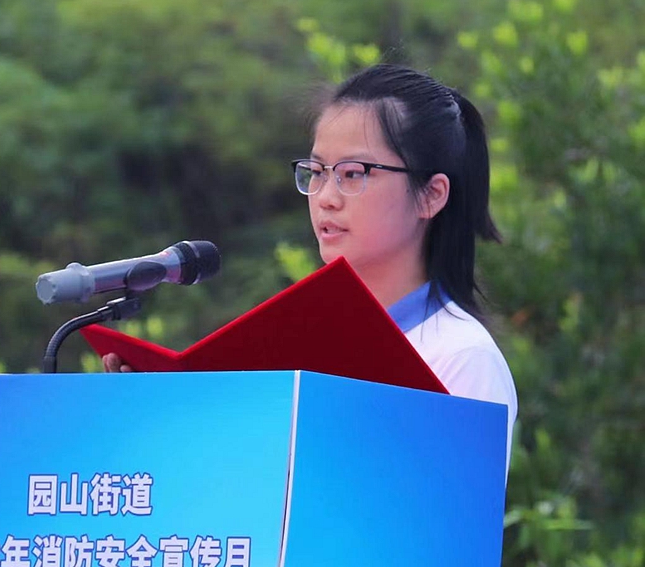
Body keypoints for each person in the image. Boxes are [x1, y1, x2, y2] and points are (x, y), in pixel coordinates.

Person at [105, 63, 517, 474]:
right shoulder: (294, 341)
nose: (325, 197)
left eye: (353, 174)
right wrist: (160, 420)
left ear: (431, 195)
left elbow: (445, 513)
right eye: (317, 172)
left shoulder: (461, 357)